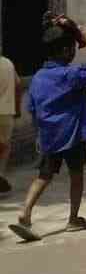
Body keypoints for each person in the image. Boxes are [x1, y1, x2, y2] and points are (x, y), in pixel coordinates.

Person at [8, 17, 86, 242]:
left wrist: (39, 135)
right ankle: (73, 219)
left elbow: (33, 109)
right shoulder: (70, 75)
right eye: (73, 48)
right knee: (76, 176)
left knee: (43, 176)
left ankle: (25, 212)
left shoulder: (37, 78)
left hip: (48, 136)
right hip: (73, 136)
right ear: (65, 50)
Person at [0, 48, 22, 195]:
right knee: (4, 146)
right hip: (7, 111)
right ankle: (0, 173)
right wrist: (17, 107)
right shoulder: (8, 63)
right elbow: (18, 84)